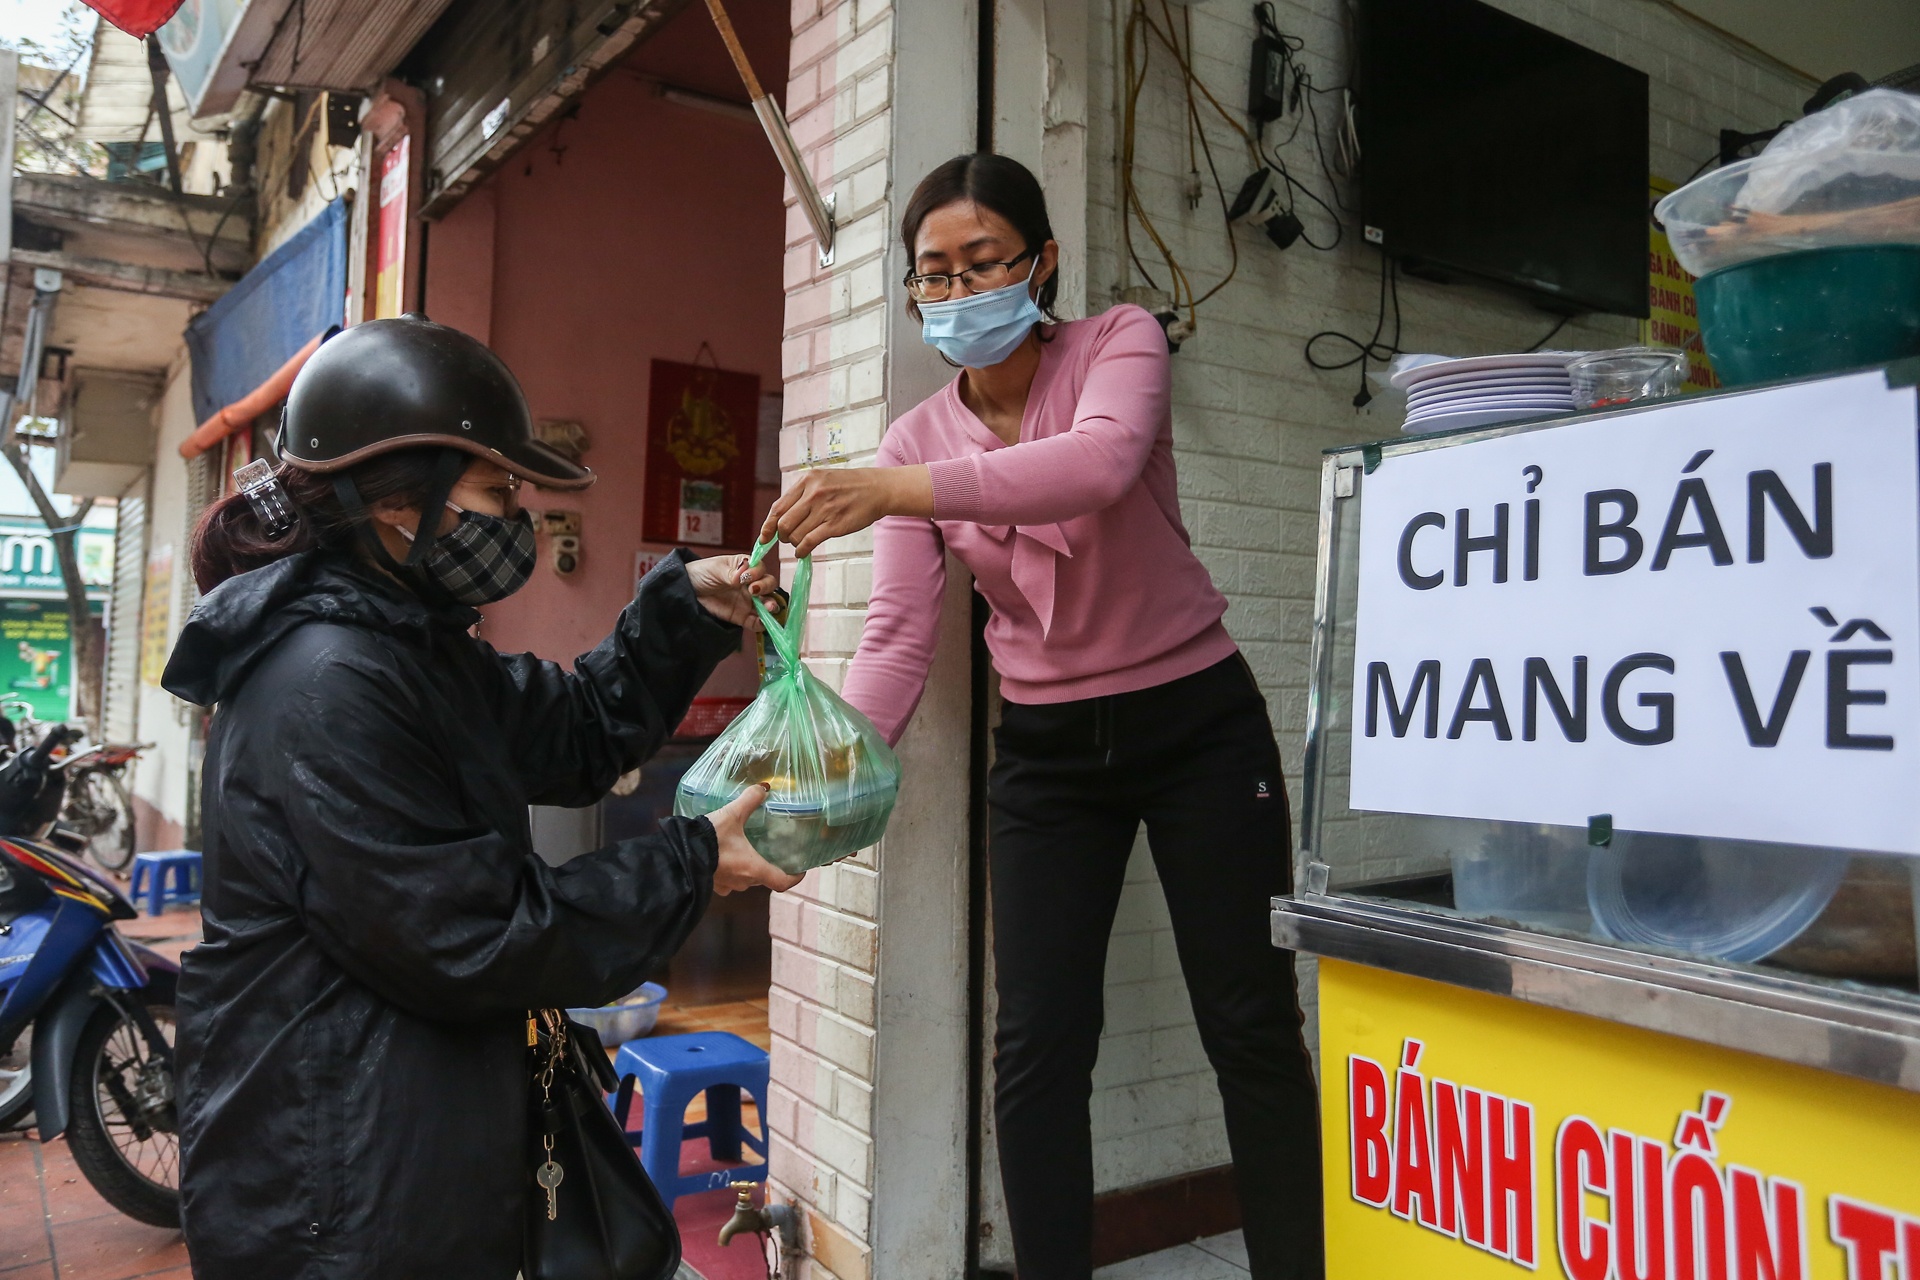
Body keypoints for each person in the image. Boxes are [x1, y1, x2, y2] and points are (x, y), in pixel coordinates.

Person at [759, 154, 1323, 1279]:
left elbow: (1098, 465)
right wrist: (815, 781)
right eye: (935, 274)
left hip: (1196, 724)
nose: (960, 294)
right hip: (1051, 755)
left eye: (985, 264)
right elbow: (901, 640)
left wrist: (894, 489)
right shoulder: (916, 440)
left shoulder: (1120, 343)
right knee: (1036, 1046)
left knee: (1249, 1024)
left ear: (1042, 262)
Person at [162, 315, 802, 1279]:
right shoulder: (327, 682)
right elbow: (474, 934)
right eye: (497, 488)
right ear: (394, 502)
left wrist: (684, 612)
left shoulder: (407, 647)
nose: (519, 514)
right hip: (339, 1185)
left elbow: (578, 730)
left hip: (414, 1144)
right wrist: (689, 862)